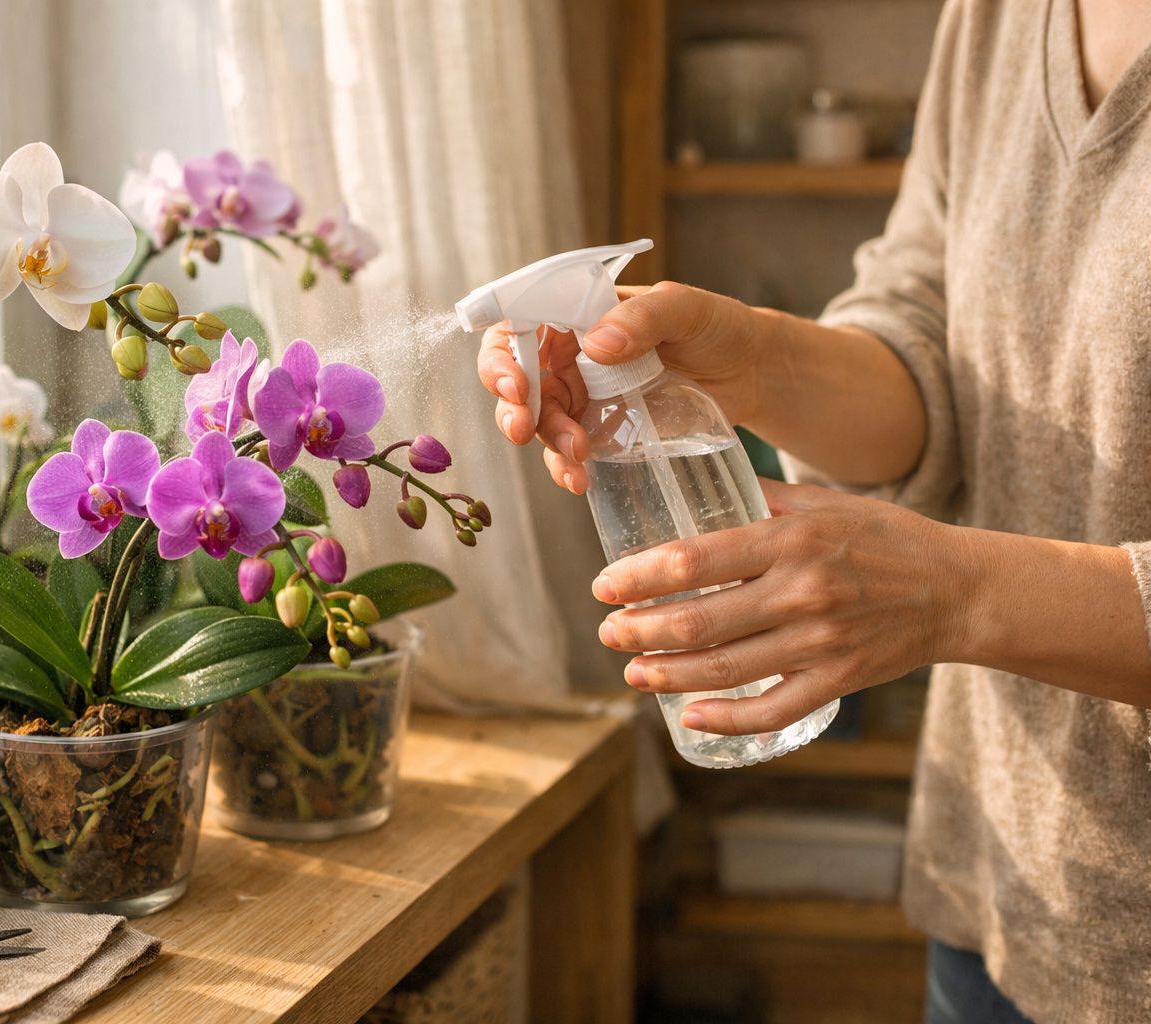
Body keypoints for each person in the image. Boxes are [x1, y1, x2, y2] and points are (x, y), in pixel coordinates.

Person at [477, 1, 1151, 1021]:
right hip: (1008, 903)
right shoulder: (1001, 14)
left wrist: (956, 593)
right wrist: (761, 360)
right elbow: (933, 313)